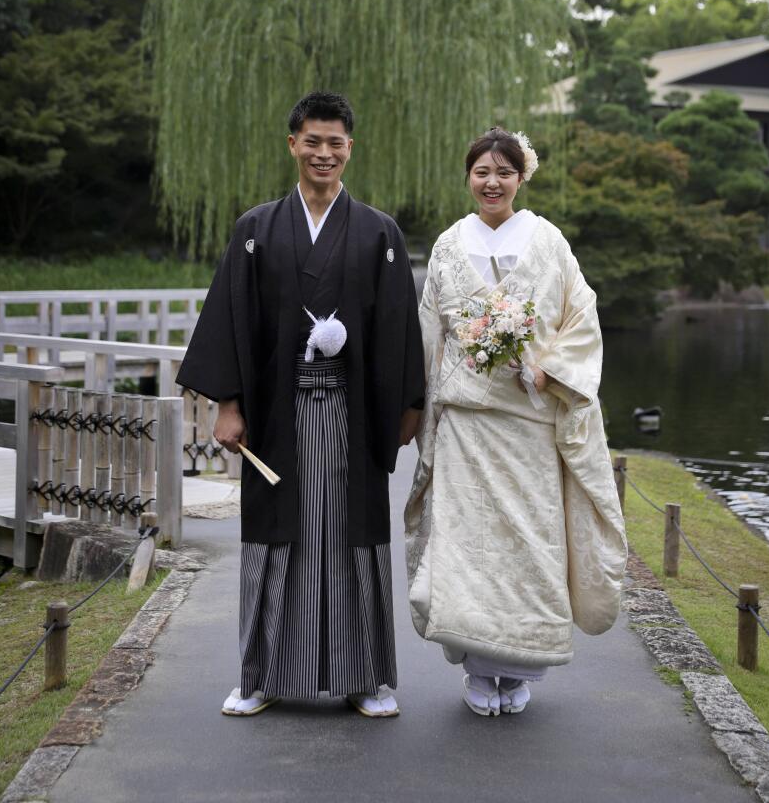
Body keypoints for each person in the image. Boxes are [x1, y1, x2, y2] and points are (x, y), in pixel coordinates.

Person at [177, 91, 425, 718]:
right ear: (293, 144)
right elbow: (232, 322)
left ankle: (365, 678)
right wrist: (228, 403)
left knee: (354, 539)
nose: (323, 153)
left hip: (353, 414)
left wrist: (407, 404)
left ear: (350, 148)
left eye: (335, 142)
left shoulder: (379, 233)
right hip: (276, 416)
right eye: (312, 141)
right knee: (272, 537)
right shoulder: (256, 230)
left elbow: (399, 326)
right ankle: (259, 675)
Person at [405, 127, 626, 717]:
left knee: (531, 546)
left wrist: (550, 373)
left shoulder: (549, 241)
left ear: (521, 177)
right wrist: (415, 406)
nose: (492, 182)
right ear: (468, 177)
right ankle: (479, 671)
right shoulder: (450, 246)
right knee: (467, 547)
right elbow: (429, 334)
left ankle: (521, 667)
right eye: (482, 171)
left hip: (529, 421)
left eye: (504, 172)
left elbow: (582, 316)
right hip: (467, 423)